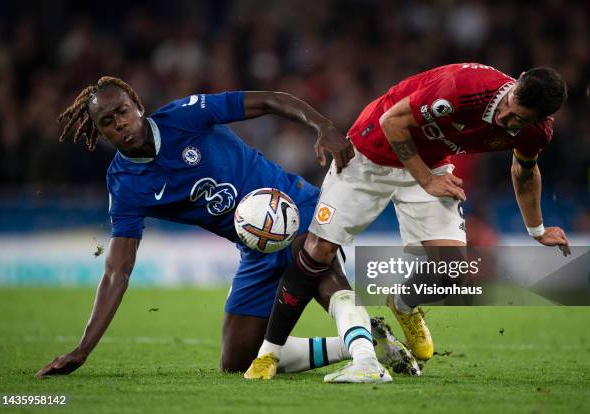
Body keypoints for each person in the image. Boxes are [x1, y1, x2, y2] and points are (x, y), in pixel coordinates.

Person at [35, 76, 415, 382]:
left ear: (138, 107)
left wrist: (324, 126)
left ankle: (366, 362)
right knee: (237, 361)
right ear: (102, 134)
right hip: (255, 246)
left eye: (122, 112)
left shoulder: (187, 115)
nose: (119, 124)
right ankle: (364, 341)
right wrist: (82, 349)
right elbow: (118, 270)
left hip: (298, 207)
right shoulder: (125, 184)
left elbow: (269, 100)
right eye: (108, 123)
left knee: (313, 261)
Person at [247, 63, 571, 379]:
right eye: (509, 106)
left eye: (518, 119)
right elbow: (393, 122)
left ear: (542, 119)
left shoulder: (536, 133)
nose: (505, 118)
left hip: (427, 163)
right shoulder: (464, 89)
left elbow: (525, 173)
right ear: (518, 82)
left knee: (452, 272)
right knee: (318, 250)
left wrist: (537, 229)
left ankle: (402, 305)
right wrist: (427, 180)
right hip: (370, 152)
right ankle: (269, 354)